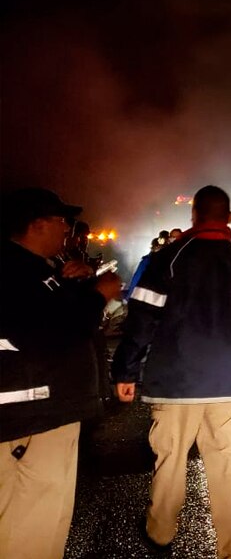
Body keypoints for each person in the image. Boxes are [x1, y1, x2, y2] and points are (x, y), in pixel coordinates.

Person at [112, 185, 231, 558]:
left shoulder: (168, 260)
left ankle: (159, 534)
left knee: (169, 461)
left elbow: (140, 320)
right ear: (230, 218)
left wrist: (124, 371)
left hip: (176, 383)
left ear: (193, 215)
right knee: (230, 466)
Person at [0, 188, 124, 559]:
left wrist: (76, 283)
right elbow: (53, 330)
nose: (67, 230)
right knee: (36, 516)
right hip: (34, 414)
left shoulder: (32, 269)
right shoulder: (15, 271)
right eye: (62, 221)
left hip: (31, 411)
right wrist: (98, 295)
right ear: (37, 224)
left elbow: (46, 312)